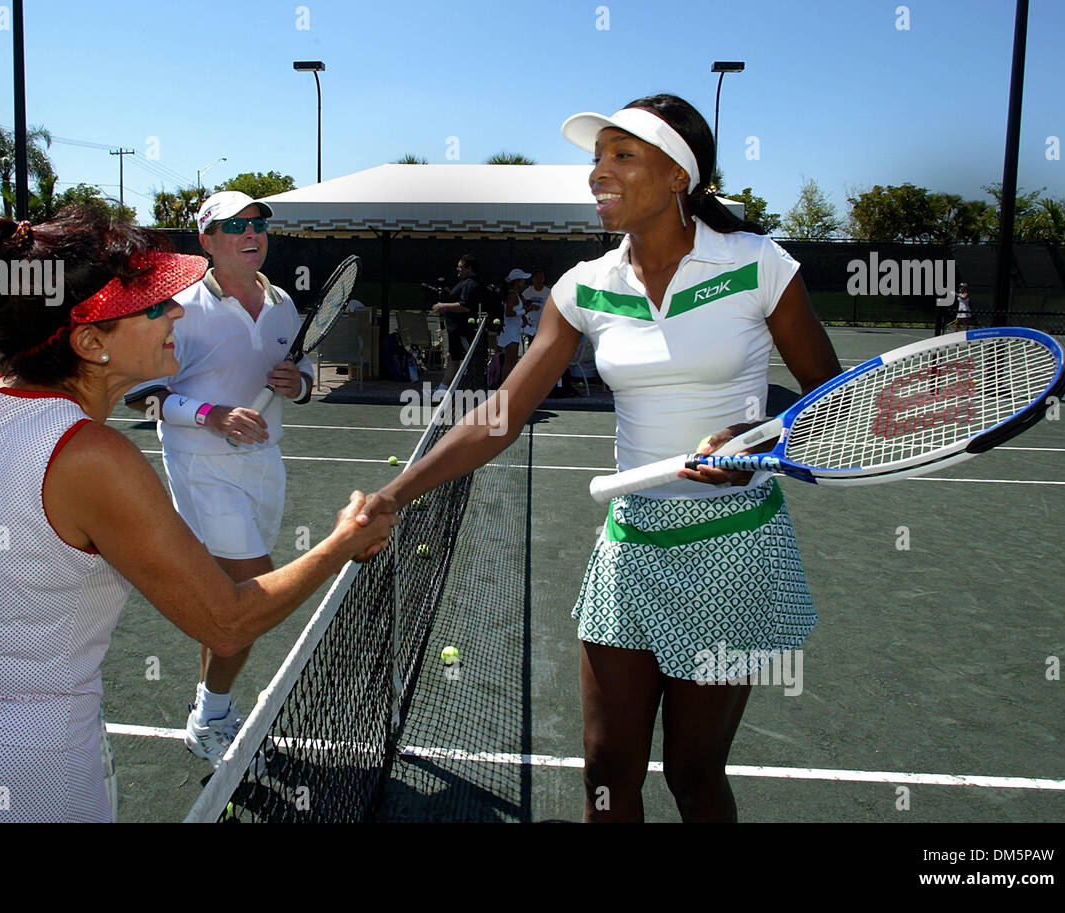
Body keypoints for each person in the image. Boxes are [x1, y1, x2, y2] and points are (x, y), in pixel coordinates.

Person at [356, 94, 841, 823]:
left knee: (692, 771)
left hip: (733, 547)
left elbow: (830, 398)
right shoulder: (584, 286)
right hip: (629, 546)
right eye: (597, 157)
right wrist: (397, 491)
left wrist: (757, 438)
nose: (598, 173)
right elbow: (501, 415)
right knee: (607, 770)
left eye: (623, 156)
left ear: (680, 175)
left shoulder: (759, 264)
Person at [0, 209, 394, 822]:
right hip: (19, 778)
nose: (176, 313)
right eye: (153, 308)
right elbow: (230, 623)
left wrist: (21, 574)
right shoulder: (96, 457)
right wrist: (344, 541)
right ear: (90, 343)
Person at [123, 191, 314, 769]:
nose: (251, 232)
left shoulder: (283, 306)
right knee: (250, 596)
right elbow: (139, 395)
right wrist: (212, 415)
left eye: (258, 223)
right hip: (201, 465)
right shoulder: (177, 307)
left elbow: (305, 375)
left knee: (225, 598)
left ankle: (211, 704)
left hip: (264, 462)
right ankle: (210, 720)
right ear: (206, 241)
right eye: (234, 226)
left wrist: (297, 384)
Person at [431, 254, 499, 400]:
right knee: (453, 358)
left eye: (461, 267)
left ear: (469, 269)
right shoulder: (465, 283)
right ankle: (443, 390)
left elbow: (464, 306)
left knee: (472, 360)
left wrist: (442, 306)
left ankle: (480, 392)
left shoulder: (470, 284)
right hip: (456, 330)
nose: (458, 270)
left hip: (463, 331)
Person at [495, 268, 532, 382]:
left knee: (512, 360)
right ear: (517, 281)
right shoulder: (512, 295)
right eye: (522, 280)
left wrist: (523, 317)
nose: (524, 283)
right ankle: (505, 388)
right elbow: (508, 313)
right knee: (510, 361)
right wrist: (524, 311)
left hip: (513, 331)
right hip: (510, 332)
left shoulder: (515, 294)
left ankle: (507, 387)